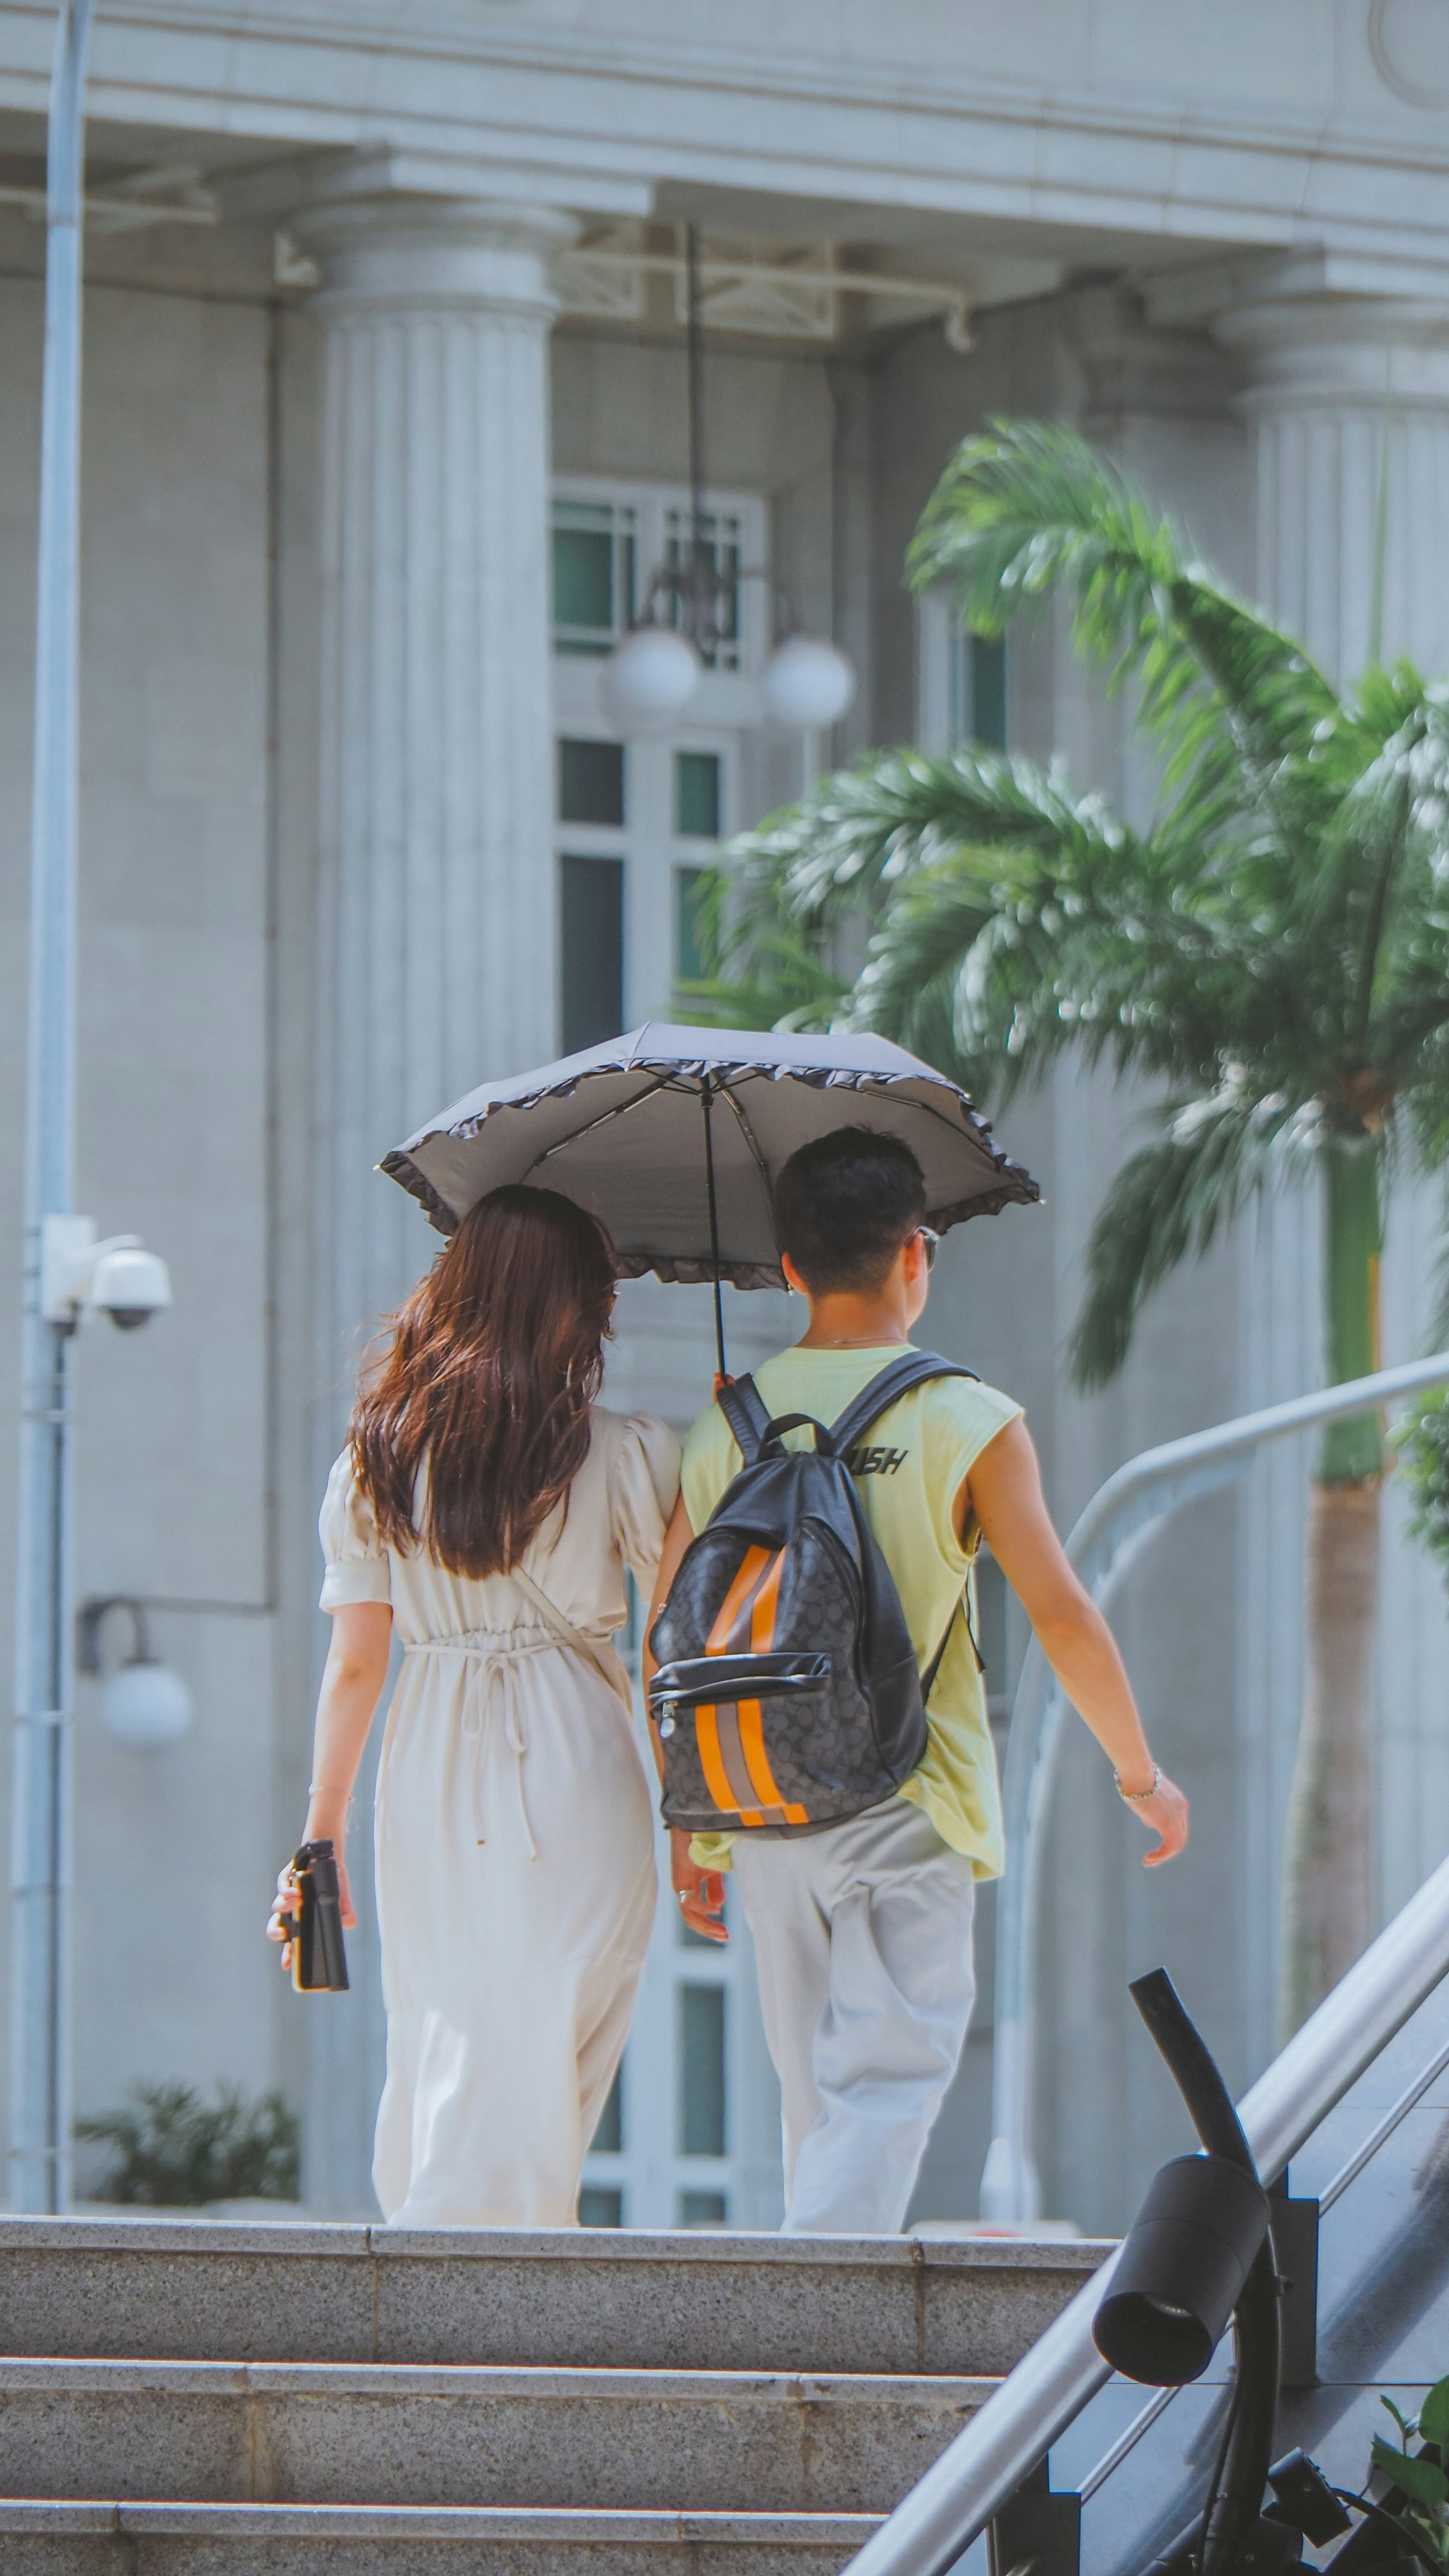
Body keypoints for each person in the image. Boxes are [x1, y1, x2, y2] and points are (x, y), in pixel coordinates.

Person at [645, 1125, 1188, 2237]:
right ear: (914, 1255)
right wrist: (1141, 1775)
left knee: (815, 2099)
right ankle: (805, 2321)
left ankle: (807, 2318)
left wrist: (687, 1833)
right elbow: (1061, 1613)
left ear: (788, 1268)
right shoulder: (967, 1418)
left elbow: (668, 1637)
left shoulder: (724, 1422)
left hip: (758, 1806)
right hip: (907, 1794)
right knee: (890, 2079)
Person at [268, 1184, 679, 2229]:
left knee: (451, 2021)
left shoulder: (376, 1462)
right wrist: (695, 1820)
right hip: (582, 1760)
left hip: (430, 1761)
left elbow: (355, 1665)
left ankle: (441, 2250)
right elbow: (677, 1639)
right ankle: (482, 2264)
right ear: (572, 1308)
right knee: (552, 2027)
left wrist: (321, 1837)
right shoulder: (631, 1450)